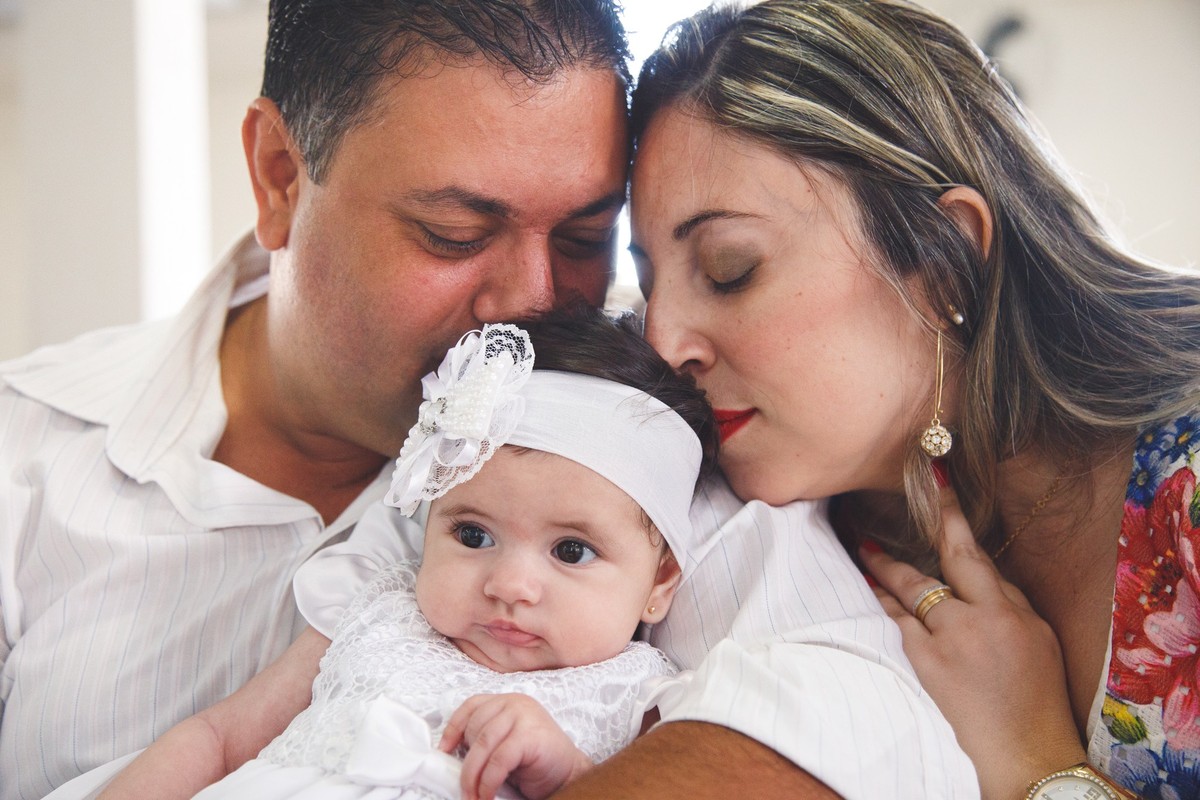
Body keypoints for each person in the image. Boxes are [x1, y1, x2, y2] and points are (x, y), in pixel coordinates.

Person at [0, 3, 630, 798]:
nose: (531, 303)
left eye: (583, 239)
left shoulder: (658, 441)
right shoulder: (22, 458)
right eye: (455, 232)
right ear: (279, 176)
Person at [626, 0, 1200, 799]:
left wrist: (1036, 765)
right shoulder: (800, 536)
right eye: (649, 284)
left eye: (730, 269)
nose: (662, 342)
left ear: (942, 260)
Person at [48, 309, 713, 800]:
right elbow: (219, 740)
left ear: (660, 581)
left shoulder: (641, 697)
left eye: (571, 550)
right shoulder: (380, 614)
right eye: (472, 535)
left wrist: (570, 776)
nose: (509, 584)